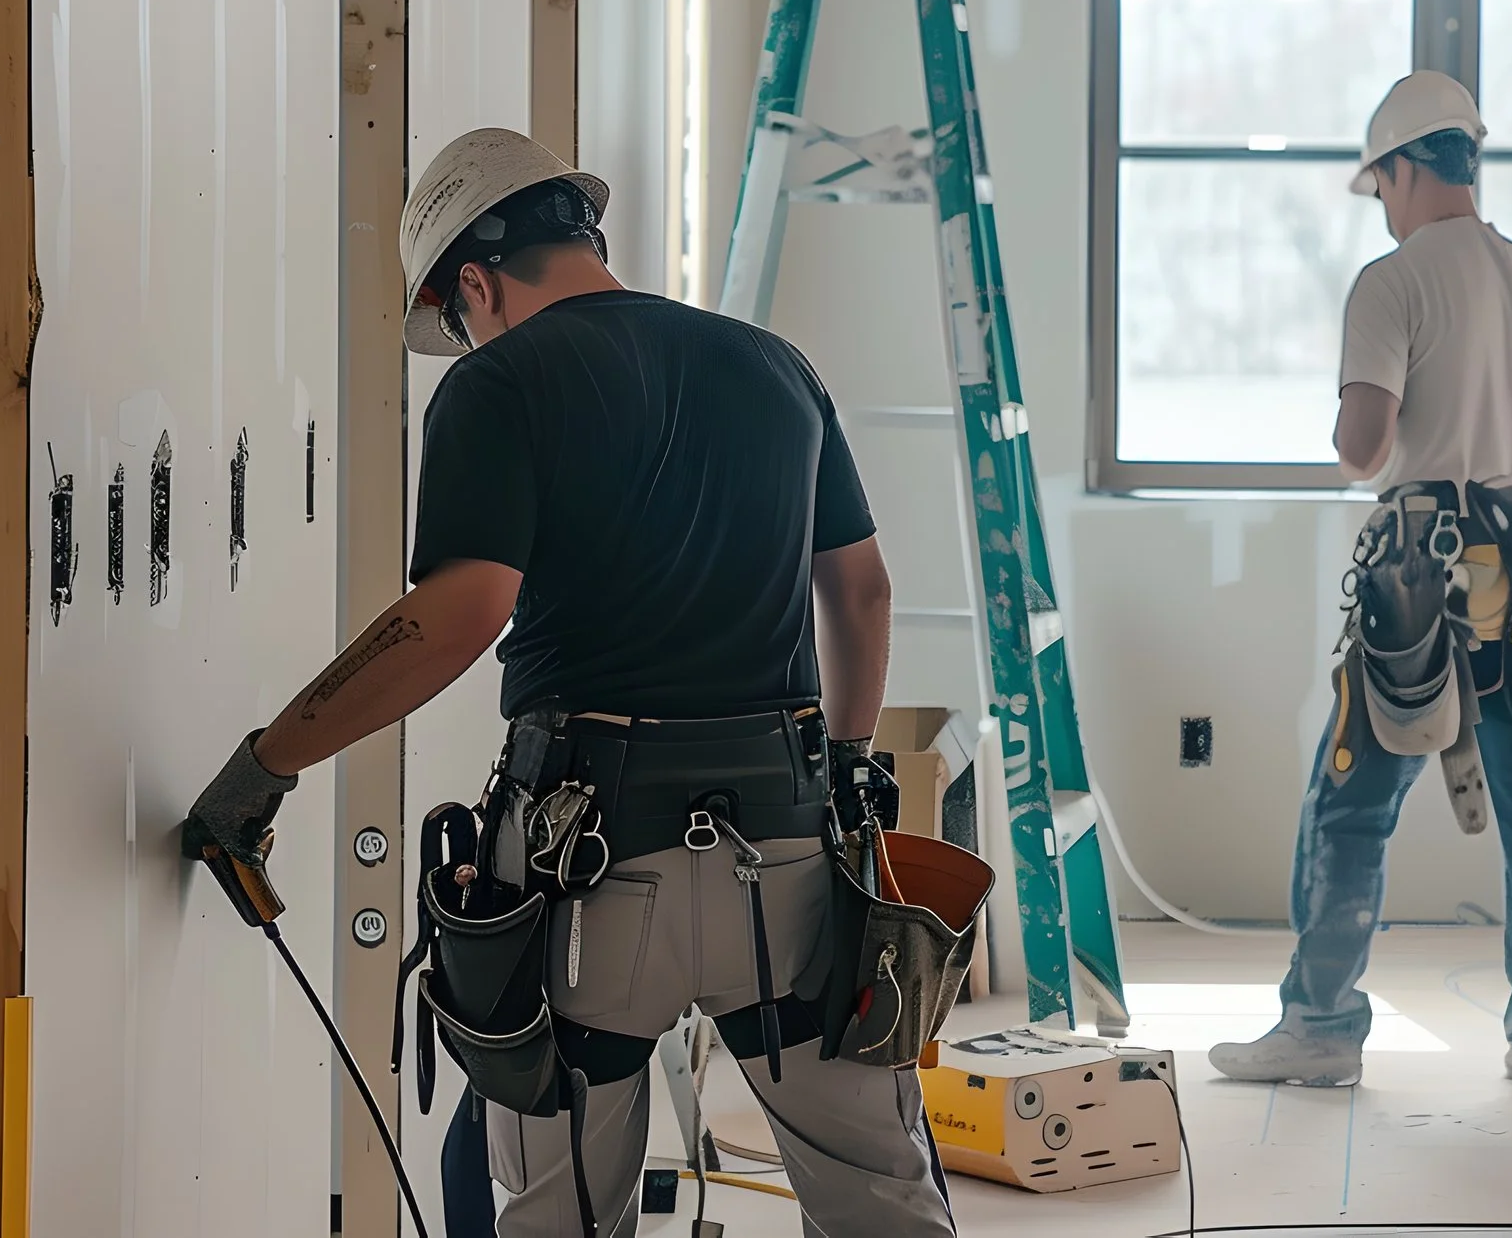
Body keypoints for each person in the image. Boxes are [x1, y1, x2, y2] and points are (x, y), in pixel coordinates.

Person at [190, 127, 957, 1237]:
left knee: (560, 1209)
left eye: (455, 324)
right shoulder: (774, 366)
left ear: (473, 286)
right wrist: (839, 766)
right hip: (787, 860)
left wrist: (270, 762)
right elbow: (864, 595)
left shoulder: (500, 385)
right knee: (880, 1194)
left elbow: (459, 615)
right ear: (586, 238)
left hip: (587, 870)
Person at [1210, 70, 1512, 1097]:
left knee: (1351, 809)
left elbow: (1361, 451)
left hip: (1422, 596)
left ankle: (1320, 1026)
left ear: (1405, 167)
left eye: (1380, 186)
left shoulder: (1392, 282)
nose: (1383, 204)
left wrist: (1351, 415)